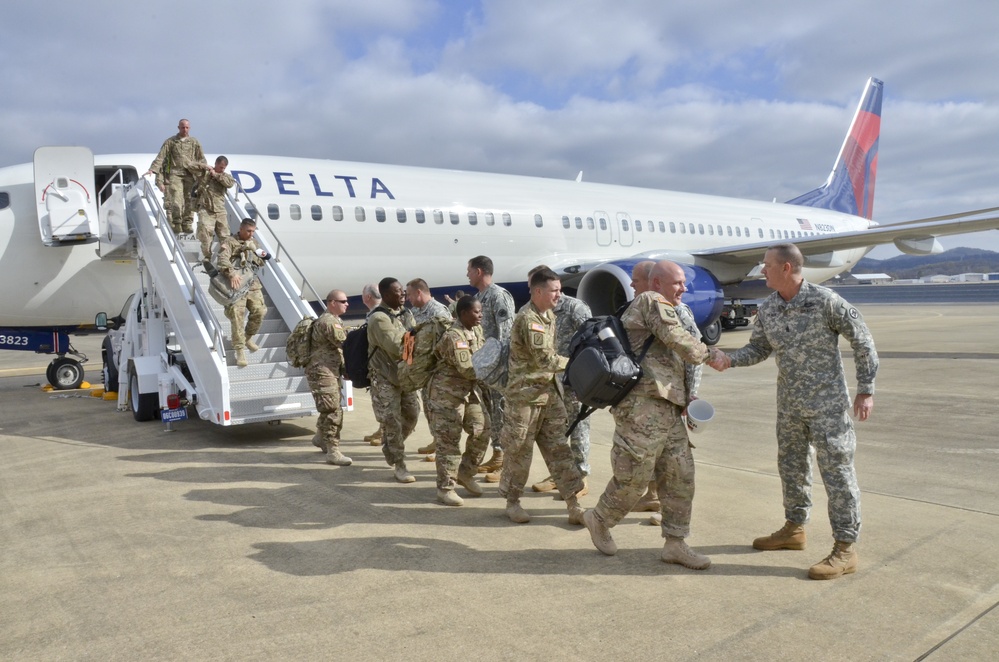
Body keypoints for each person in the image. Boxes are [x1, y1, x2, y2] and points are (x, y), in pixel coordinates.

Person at [708, 243, 878, 580]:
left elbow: (863, 340)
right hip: (789, 405)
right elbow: (759, 348)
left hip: (827, 405)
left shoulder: (825, 301)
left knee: (837, 472)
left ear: (786, 268)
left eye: (767, 265)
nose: (762, 270)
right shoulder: (769, 308)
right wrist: (729, 359)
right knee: (791, 467)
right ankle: (794, 529)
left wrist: (866, 389)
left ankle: (845, 548)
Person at [582, 261, 717, 569]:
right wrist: (713, 354)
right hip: (642, 407)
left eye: (684, 283)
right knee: (634, 476)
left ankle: (675, 543)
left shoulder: (665, 304)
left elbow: (673, 358)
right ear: (657, 283)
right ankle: (599, 519)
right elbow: (679, 341)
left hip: (668, 405)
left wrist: (686, 396)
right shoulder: (650, 301)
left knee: (680, 475)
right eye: (677, 283)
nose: (683, 288)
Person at [496, 268, 585, 525]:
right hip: (525, 398)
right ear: (538, 292)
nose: (560, 294)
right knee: (519, 451)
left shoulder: (548, 316)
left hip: (549, 394)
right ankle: (512, 502)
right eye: (554, 290)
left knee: (559, 449)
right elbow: (545, 358)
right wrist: (579, 363)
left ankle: (573, 503)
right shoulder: (529, 319)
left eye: (559, 289)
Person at [525, 267, 593, 497]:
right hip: (551, 380)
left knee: (578, 425)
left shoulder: (574, 308)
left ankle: (581, 476)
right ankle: (562, 475)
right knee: (557, 430)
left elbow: (592, 340)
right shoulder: (537, 312)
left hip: (575, 378)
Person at [426, 296, 490, 506]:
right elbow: (468, 368)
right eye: (475, 312)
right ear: (463, 314)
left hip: (468, 392)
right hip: (446, 395)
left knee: (482, 430)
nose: (480, 315)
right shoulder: (455, 337)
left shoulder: (476, 331)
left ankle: (466, 472)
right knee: (449, 441)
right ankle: (445, 488)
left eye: (480, 311)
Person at [367, 277, 420, 483]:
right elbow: (398, 347)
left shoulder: (404, 313)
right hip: (385, 377)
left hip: (403, 376)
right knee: (393, 422)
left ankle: (390, 446)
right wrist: (418, 340)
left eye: (403, 291)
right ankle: (400, 464)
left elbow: (414, 336)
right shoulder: (379, 319)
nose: (403, 295)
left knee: (413, 414)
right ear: (387, 295)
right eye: (398, 292)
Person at [467, 256, 515, 476]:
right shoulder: (479, 298)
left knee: (502, 412)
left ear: (478, 271)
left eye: (469, 270)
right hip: (486, 367)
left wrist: (501, 368)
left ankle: (506, 460)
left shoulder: (498, 296)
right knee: (493, 413)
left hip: (499, 368)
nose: (466, 274)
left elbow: (506, 335)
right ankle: (498, 455)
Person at [406, 278, 453, 460]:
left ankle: (442, 446)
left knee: (439, 411)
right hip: (424, 371)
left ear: (419, 292)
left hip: (438, 371)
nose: (408, 298)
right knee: (429, 408)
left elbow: (446, 343)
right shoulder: (416, 311)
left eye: (409, 294)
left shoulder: (438, 311)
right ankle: (436, 440)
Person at [307, 290, 352, 466]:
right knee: (333, 410)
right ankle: (333, 451)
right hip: (322, 372)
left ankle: (320, 437)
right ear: (332, 302)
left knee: (329, 407)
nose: (346, 304)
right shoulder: (329, 321)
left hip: (328, 370)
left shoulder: (334, 320)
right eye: (343, 301)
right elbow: (344, 344)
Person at [217, 218, 269, 368]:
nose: (251, 234)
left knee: (260, 311)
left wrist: (252, 250)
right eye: (248, 231)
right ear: (241, 229)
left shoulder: (254, 242)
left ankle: (248, 337)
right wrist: (232, 274)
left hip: (252, 284)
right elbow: (222, 260)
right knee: (237, 317)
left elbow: (262, 262)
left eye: (253, 231)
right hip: (236, 284)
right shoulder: (230, 242)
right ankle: (240, 350)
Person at [144, 118, 206, 234]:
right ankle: (177, 223)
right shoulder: (171, 142)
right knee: (176, 199)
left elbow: (201, 158)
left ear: (190, 128)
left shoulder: (194, 142)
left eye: (187, 127)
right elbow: (161, 156)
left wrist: (205, 172)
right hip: (175, 174)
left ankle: (187, 223)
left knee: (189, 199)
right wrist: (152, 169)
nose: (185, 129)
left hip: (190, 174)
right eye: (183, 127)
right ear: (178, 128)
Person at [194, 155, 235, 262]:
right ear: (216, 164)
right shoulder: (205, 174)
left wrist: (216, 175)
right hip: (206, 209)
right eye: (220, 167)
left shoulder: (225, 176)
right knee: (205, 233)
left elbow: (230, 183)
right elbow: (191, 166)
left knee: (225, 236)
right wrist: (205, 167)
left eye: (223, 168)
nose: (222, 169)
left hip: (220, 210)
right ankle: (207, 257)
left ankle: (226, 259)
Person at [361, 283, 384, 446]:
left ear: (368, 297)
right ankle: (382, 428)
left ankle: (385, 432)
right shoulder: (373, 313)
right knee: (378, 399)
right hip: (376, 365)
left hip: (381, 366)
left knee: (383, 400)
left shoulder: (377, 314)